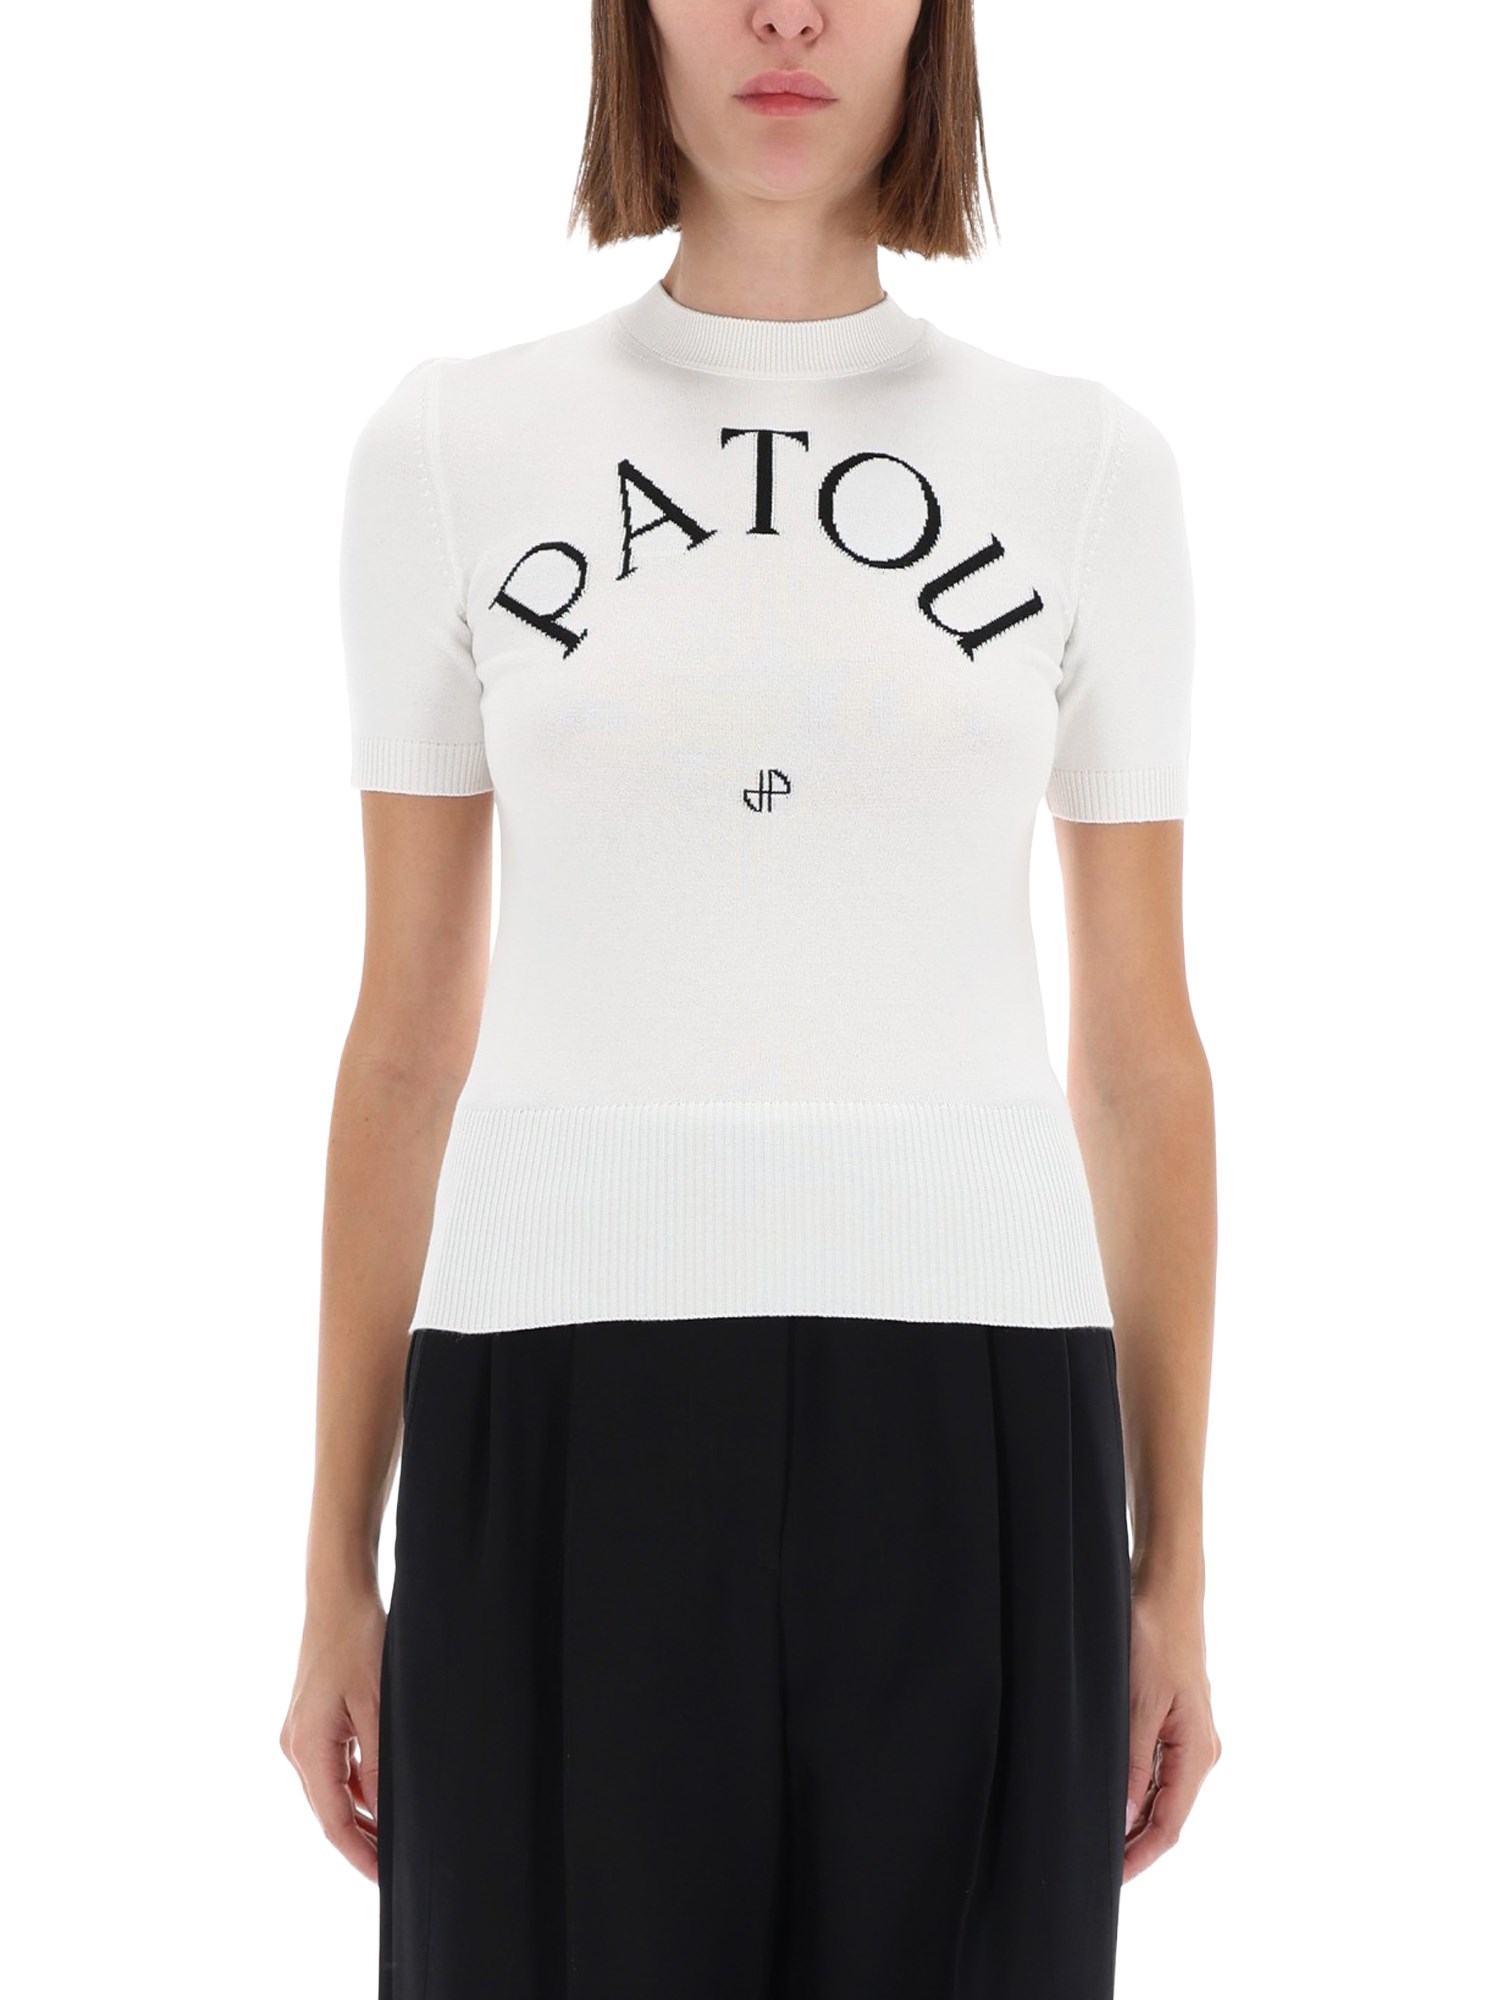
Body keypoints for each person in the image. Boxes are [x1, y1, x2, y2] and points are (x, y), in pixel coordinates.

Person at [280, 2, 1222, 1994]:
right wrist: (332, 1565)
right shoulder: (450, 448)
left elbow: (1140, 1054)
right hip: (551, 1419)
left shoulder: (1087, 467)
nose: (786, 16)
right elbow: (406, 1036)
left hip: (979, 1424)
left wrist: (1178, 1571)